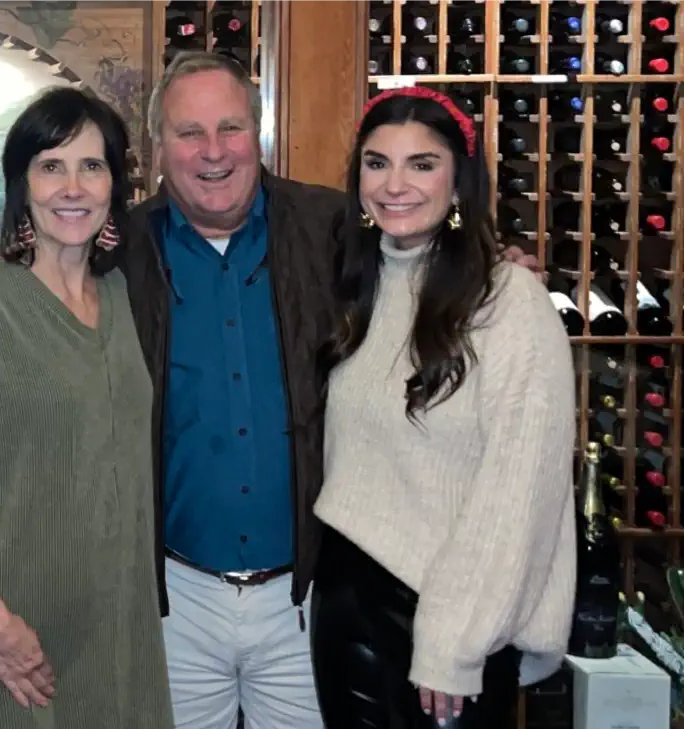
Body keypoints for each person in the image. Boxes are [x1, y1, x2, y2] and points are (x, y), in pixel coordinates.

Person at [114, 51, 543, 728]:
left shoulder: (335, 229)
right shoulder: (119, 254)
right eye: (188, 132)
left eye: (230, 128)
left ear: (257, 133)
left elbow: (426, 258)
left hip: (309, 599)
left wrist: (494, 272)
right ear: (157, 146)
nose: (213, 152)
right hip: (174, 601)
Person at [0, 86, 174, 729]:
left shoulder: (126, 298)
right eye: (51, 166)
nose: (72, 187)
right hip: (8, 636)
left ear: (115, 185)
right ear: (22, 186)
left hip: (116, 631)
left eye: (92, 166)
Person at [311, 86, 575, 728]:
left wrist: (454, 642)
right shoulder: (358, 286)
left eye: (422, 164)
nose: (394, 185)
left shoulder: (509, 302)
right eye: (377, 163)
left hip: (446, 622)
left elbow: (520, 492)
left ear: (460, 181)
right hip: (346, 600)